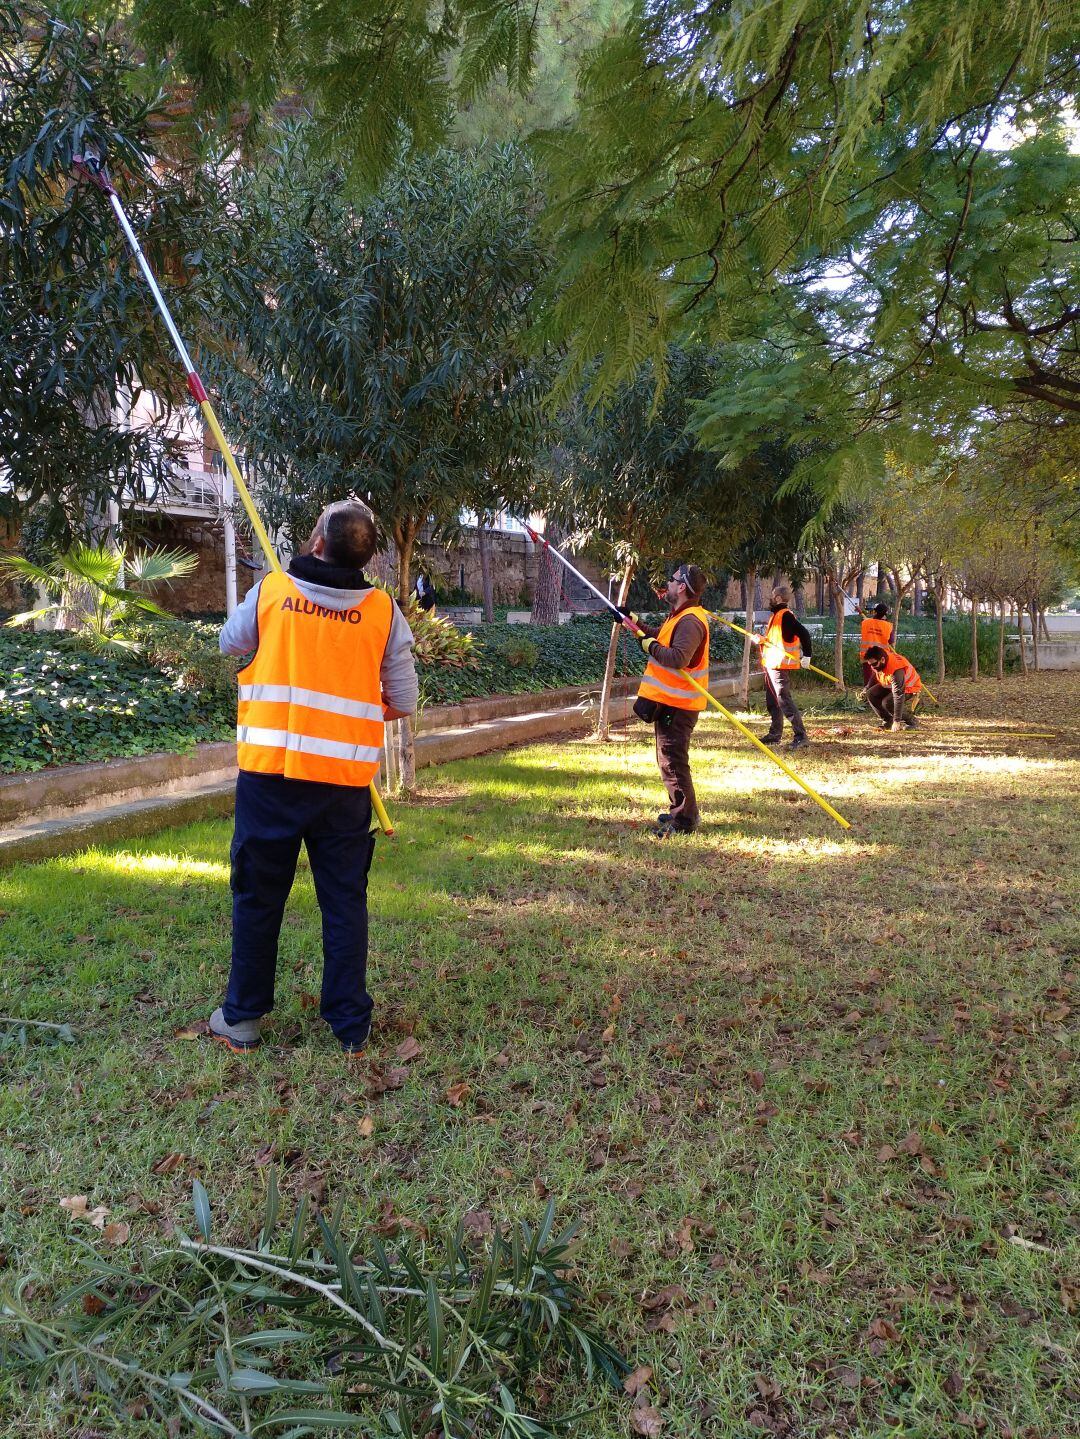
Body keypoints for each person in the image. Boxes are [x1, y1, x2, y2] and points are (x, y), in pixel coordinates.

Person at [209, 498, 418, 1056]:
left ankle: (243, 1018)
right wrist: (349, 716)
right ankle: (351, 1025)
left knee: (258, 898)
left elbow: (230, 643)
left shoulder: (274, 591)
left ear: (318, 544)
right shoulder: (383, 612)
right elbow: (401, 699)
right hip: (344, 787)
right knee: (344, 901)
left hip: (270, 779)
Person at [624, 563, 710, 837]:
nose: (668, 584)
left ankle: (685, 820)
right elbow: (659, 639)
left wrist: (648, 646)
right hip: (669, 701)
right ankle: (680, 809)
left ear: (682, 586)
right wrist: (633, 621)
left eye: (672, 581)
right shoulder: (679, 616)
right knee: (667, 759)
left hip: (679, 705)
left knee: (673, 761)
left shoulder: (691, 621)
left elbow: (677, 658)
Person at [751, 585, 815, 750]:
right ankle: (775, 734)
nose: (771, 598)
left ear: (778, 597)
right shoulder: (777, 616)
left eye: (773, 595)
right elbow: (775, 641)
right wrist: (762, 639)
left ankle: (801, 736)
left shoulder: (785, 616)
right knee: (773, 701)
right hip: (772, 664)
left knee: (783, 700)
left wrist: (807, 655)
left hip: (779, 666)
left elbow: (804, 633)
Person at [863, 643, 921, 731]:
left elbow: (898, 695)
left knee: (887, 702)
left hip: (909, 687)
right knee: (871, 693)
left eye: (873, 664)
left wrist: (897, 721)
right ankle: (888, 721)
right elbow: (875, 673)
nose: (872, 667)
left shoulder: (896, 670)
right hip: (890, 684)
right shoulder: (878, 660)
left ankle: (912, 721)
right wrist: (866, 688)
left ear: (882, 660)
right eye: (870, 664)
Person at [860, 602, 894, 686]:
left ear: (875, 612)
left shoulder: (865, 622)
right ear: (885, 614)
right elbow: (891, 641)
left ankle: (867, 696)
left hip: (867, 656)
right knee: (881, 681)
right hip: (881, 657)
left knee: (868, 681)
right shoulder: (888, 626)